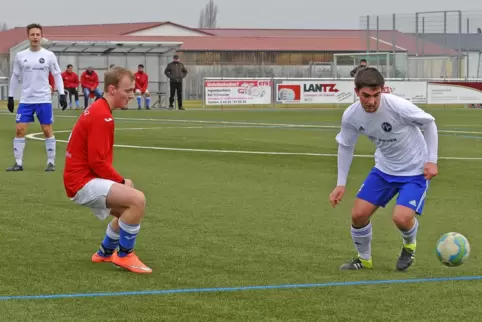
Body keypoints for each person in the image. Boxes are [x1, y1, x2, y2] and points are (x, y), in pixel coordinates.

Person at [329, 67, 439, 272]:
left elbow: (429, 123)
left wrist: (431, 160)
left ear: (382, 90)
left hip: (415, 171)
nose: (371, 101)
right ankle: (364, 260)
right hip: (384, 170)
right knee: (358, 216)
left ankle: (409, 246)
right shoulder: (351, 116)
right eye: (365, 96)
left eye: (376, 95)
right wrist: (340, 184)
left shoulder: (397, 106)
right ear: (357, 92)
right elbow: (346, 146)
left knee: (401, 218)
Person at [63, 66, 151, 274]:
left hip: (79, 180)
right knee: (137, 200)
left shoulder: (99, 109)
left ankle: (104, 252)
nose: (132, 95)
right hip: (82, 182)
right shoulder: (102, 116)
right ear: (112, 89)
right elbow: (97, 162)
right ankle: (124, 255)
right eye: (128, 91)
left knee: (126, 210)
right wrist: (121, 181)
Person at [6, 23, 67, 172]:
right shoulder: (21, 56)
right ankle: (18, 163)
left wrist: (62, 93)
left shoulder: (48, 55)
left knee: (47, 130)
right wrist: (10, 96)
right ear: (28, 37)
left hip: (44, 99)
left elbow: (57, 75)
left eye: (37, 35)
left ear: (41, 36)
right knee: (20, 130)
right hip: (26, 99)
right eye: (32, 35)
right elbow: (15, 77)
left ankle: (51, 163)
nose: (35, 37)